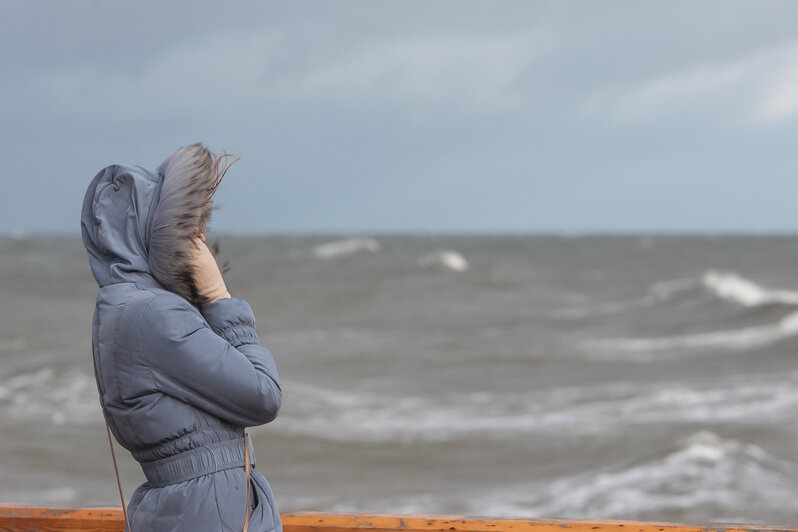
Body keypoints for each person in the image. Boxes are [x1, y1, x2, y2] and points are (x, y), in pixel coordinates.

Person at [80, 144, 282, 532]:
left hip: (181, 508)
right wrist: (220, 298)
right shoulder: (152, 314)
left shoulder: (119, 309)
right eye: (188, 229)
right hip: (207, 512)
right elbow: (263, 395)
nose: (201, 238)